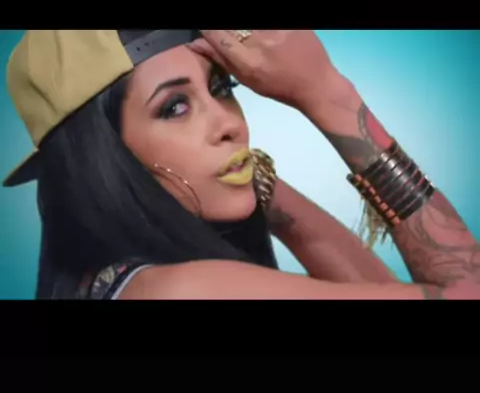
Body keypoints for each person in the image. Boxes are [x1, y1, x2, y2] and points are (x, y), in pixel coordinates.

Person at [3, 28, 479, 300]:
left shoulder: (112, 283)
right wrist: (328, 95)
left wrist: (256, 182)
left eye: (221, 88)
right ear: (101, 161)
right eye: (174, 107)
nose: (229, 124)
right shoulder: (184, 292)